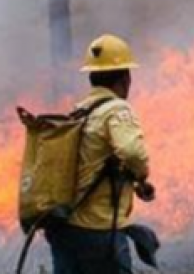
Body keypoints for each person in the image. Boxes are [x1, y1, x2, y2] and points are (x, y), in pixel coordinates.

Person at [45, 34, 156, 274]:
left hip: (65, 228)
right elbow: (132, 153)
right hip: (98, 230)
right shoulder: (116, 109)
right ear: (126, 77)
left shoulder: (79, 112)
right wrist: (142, 175)